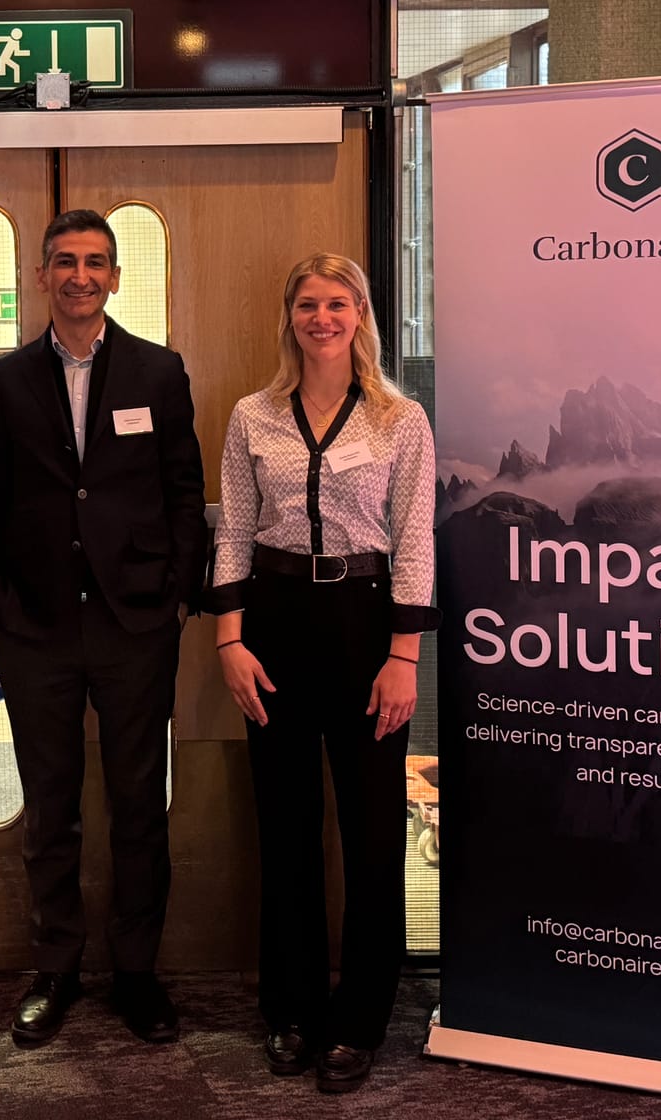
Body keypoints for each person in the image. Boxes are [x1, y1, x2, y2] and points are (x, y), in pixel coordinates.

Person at [0, 209, 207, 1048]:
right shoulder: (6, 380)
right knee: (51, 808)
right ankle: (56, 968)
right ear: (41, 276)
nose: (79, 276)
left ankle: (137, 974)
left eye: (95, 262)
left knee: (141, 805)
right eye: (64, 261)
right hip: (37, 629)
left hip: (135, 623)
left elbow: (184, 490)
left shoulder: (159, 371)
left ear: (115, 277)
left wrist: (178, 591)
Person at [207, 253, 439, 1095]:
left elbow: (414, 542)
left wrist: (405, 658)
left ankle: (360, 1019)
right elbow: (233, 531)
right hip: (272, 625)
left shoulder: (399, 419)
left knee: (374, 833)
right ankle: (293, 1009)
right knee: (287, 827)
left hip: (366, 628)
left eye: (338, 303)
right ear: (290, 317)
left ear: (361, 316)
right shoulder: (251, 416)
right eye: (308, 303)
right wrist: (230, 642)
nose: (322, 317)